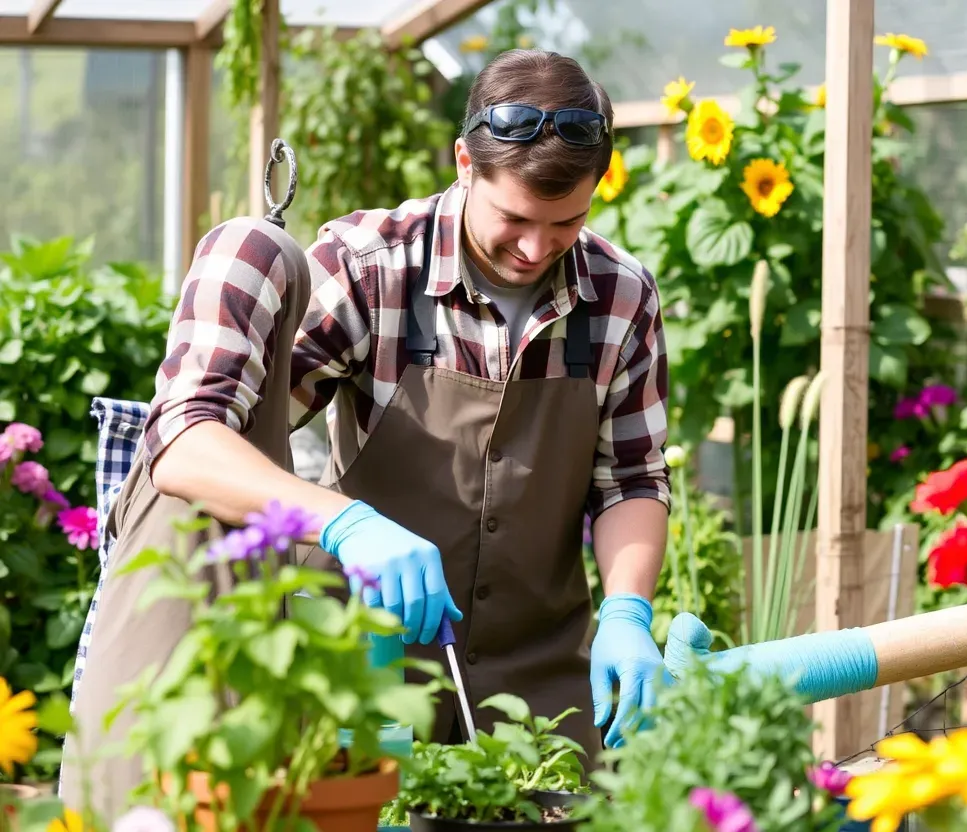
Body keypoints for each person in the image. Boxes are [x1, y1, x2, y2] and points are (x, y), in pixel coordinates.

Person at [61, 48, 670, 819]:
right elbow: (205, 437)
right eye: (514, 219)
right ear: (463, 164)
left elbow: (634, 478)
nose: (535, 248)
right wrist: (344, 522)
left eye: (567, 222)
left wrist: (627, 613)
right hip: (370, 673)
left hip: (538, 686)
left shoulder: (619, 296)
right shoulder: (373, 267)